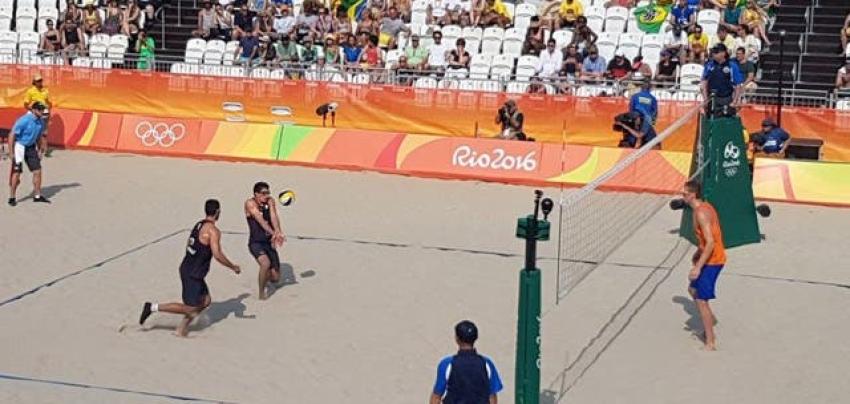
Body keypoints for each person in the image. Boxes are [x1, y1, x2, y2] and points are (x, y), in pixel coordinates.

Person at [139, 199, 242, 337]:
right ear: (217, 212)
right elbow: (217, 255)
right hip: (192, 273)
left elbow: (190, 244)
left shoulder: (199, 224)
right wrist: (232, 266)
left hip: (192, 270)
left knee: (206, 301)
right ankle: (152, 307)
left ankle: (181, 330)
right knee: (191, 309)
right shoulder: (213, 231)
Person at [681, 180, 726, 351]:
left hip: (714, 261)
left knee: (701, 300)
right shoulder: (702, 207)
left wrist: (698, 266)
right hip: (708, 256)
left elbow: (710, 243)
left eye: (684, 194)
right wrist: (697, 254)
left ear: (693, 195)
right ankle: (710, 320)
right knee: (692, 290)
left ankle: (710, 341)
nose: (682, 196)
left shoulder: (701, 213)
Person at [429, 320, 503, 404]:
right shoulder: (487, 363)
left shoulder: (447, 364)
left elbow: (436, 397)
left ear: (457, 339)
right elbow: (492, 396)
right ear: (476, 338)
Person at [245, 181, 285, 300]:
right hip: (255, 242)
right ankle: (261, 293)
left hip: (268, 242)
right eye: (263, 193)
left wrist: (278, 232)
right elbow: (261, 221)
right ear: (256, 194)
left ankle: (266, 277)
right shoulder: (250, 204)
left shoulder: (270, 201)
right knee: (265, 263)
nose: (266, 195)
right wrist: (274, 234)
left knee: (275, 278)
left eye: (268, 192)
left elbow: (273, 217)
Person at [8, 102, 49, 206]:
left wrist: (40, 150)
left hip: (31, 148)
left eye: (42, 109)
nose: (41, 111)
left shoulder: (41, 122)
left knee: (38, 171)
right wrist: (11, 152)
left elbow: (39, 137)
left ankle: (37, 196)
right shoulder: (24, 120)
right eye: (39, 109)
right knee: (17, 173)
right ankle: (12, 197)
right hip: (20, 147)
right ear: (34, 110)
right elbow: (12, 135)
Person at [701, 43, 743, 117]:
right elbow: (704, 83)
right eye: (713, 52)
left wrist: (735, 101)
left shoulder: (732, 66)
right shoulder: (709, 65)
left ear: (723, 53)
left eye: (716, 52)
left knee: (727, 121)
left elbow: (738, 85)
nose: (713, 54)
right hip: (712, 99)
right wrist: (705, 100)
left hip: (727, 98)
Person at [23, 74, 51, 157]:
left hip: (44, 112)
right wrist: (33, 111)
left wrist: (48, 110)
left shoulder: (45, 91)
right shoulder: (30, 91)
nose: (40, 82)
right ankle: (31, 148)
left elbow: (48, 102)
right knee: (32, 131)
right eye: (38, 81)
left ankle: (44, 150)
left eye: (41, 80)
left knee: (44, 132)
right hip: (34, 112)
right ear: (34, 82)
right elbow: (25, 104)